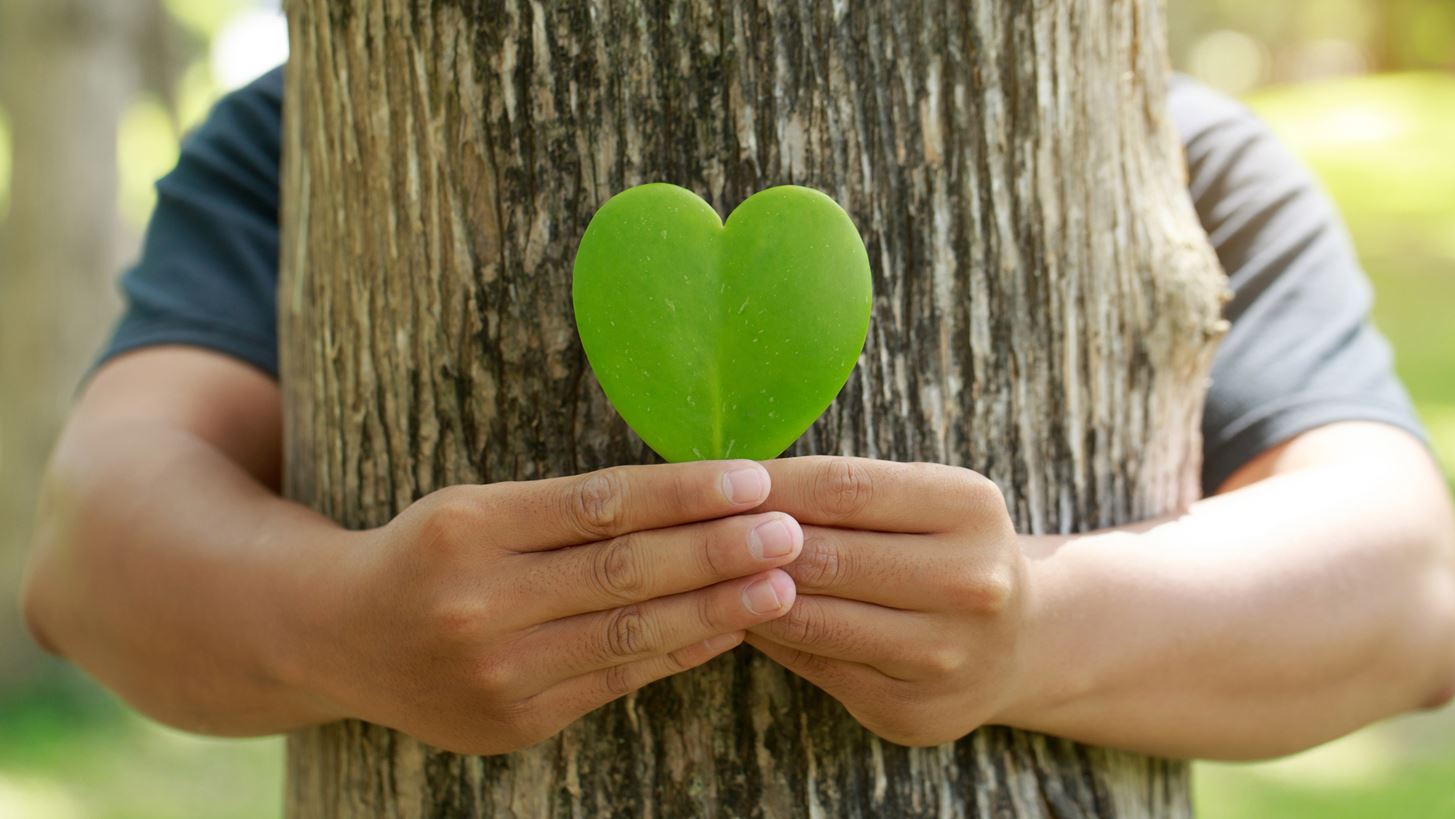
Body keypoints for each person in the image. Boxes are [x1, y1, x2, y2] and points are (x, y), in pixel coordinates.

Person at [20, 66, 1455, 760]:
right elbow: (89, 556)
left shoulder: (1177, 152)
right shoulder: (302, 138)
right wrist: (336, 620)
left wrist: (1042, 624)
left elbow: (1410, 586)